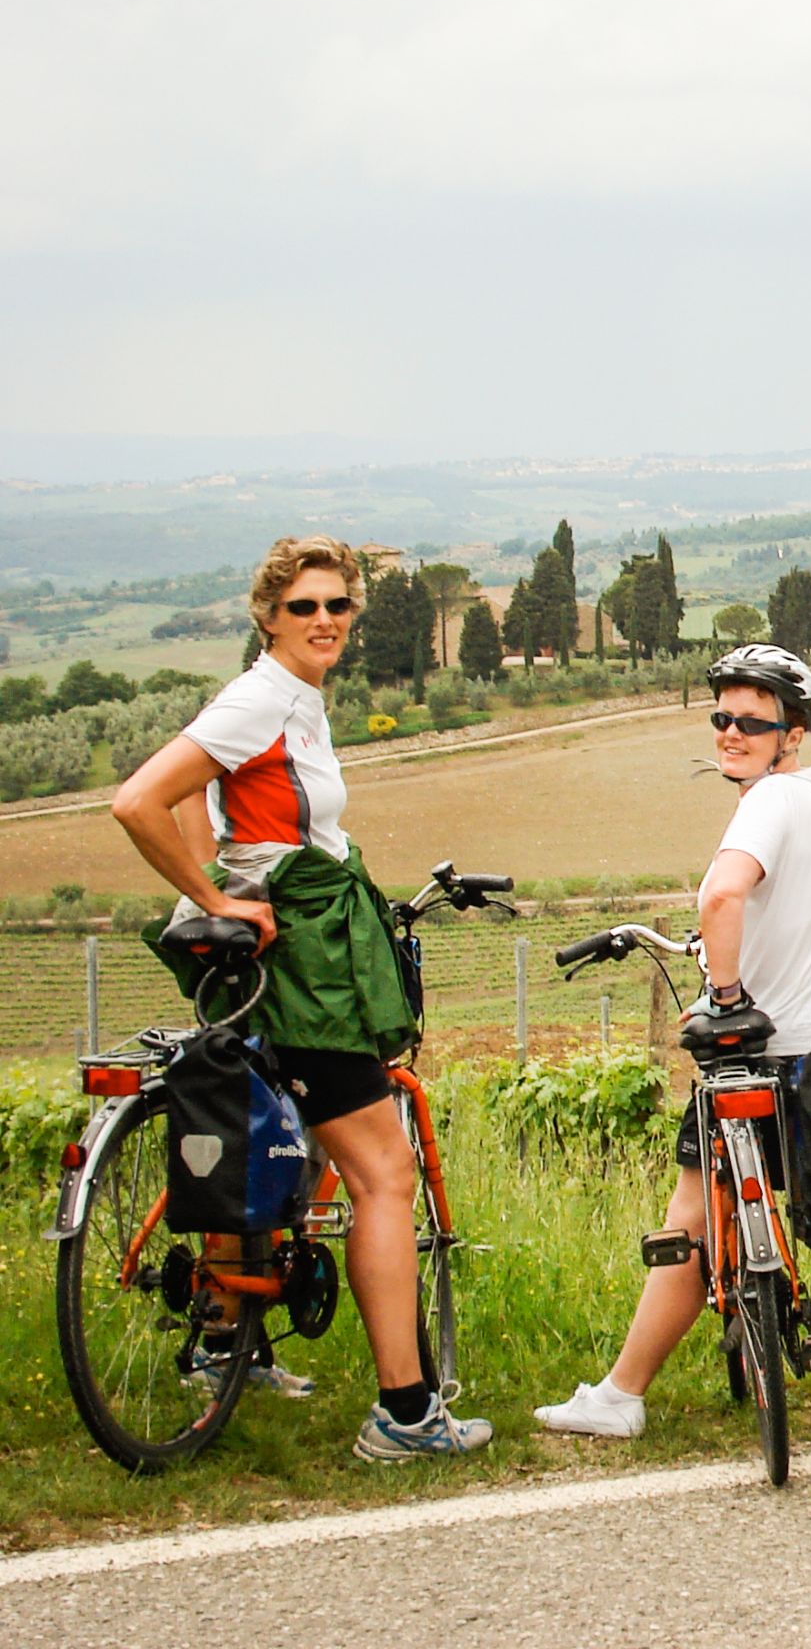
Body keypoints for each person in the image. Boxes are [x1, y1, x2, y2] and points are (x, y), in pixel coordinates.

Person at [112, 534, 494, 1461]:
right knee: (382, 1174)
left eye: (338, 606)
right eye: (304, 608)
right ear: (268, 616)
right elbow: (137, 803)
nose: (324, 621)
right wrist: (217, 900)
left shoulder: (296, 698)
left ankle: (220, 1344)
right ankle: (406, 1413)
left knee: (263, 1132)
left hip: (283, 951)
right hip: (297, 965)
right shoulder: (259, 702)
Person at [537, 644, 811, 1444]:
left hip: (781, 1050)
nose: (731, 733)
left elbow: (721, 894)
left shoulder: (767, 803)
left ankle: (620, 1395)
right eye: (721, 718)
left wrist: (728, 997)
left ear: (795, 731)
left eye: (752, 721)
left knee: (695, 1211)